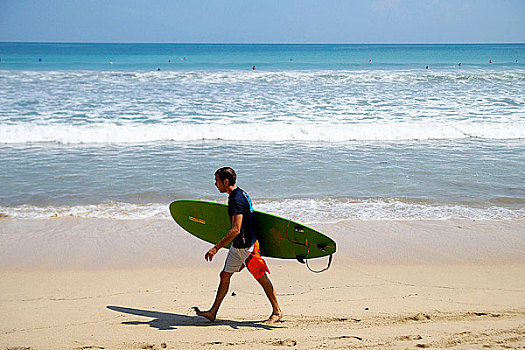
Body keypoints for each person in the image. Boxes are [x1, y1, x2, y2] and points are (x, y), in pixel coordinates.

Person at [193, 167, 282, 324]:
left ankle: (277, 311)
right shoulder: (241, 193)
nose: (215, 184)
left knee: (262, 279)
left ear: (226, 182)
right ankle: (213, 312)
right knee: (224, 275)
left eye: (217, 181)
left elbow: (236, 229)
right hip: (237, 246)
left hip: (247, 247)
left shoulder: (236, 199)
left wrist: (216, 248)